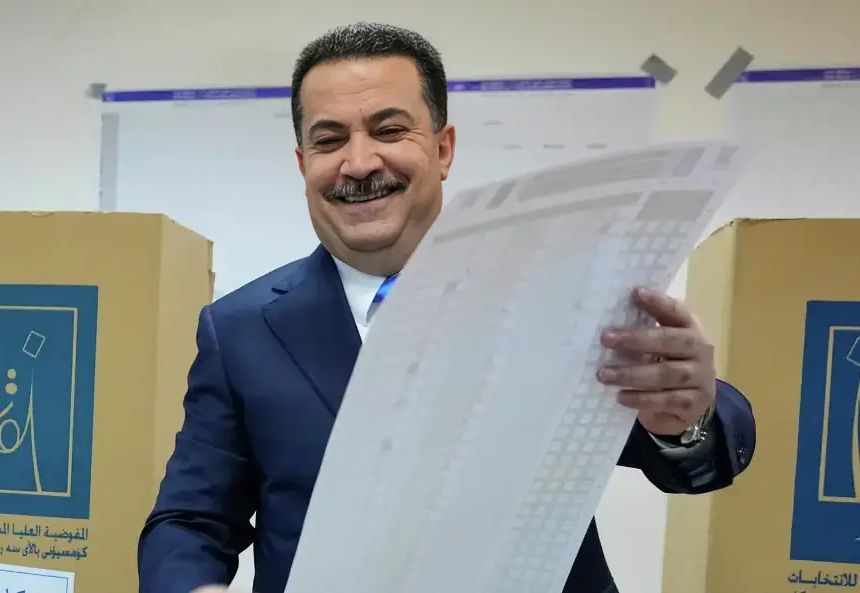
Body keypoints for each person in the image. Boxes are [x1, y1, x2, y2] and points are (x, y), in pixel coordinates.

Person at [137, 22, 757, 593]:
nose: (359, 162)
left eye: (388, 130)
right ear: (304, 164)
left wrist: (688, 416)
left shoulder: (557, 293)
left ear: (444, 148)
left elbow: (687, 460)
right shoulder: (241, 329)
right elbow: (188, 521)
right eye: (329, 141)